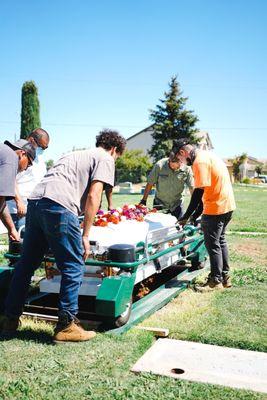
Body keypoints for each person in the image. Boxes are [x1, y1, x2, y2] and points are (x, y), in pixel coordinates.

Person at [1, 129, 126, 342]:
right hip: (58, 205)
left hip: (36, 203)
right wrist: (85, 235)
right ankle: (66, 325)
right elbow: (94, 196)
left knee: (26, 264)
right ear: (114, 149)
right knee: (74, 264)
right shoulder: (106, 158)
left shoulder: (73, 154)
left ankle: (9, 319)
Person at [173, 138, 236, 291]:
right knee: (220, 241)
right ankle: (225, 277)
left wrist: (186, 216)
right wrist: (194, 216)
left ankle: (215, 280)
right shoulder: (208, 155)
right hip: (227, 205)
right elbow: (204, 191)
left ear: (183, 152)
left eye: (179, 158)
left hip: (215, 208)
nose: (181, 161)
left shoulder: (199, 162)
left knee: (212, 245)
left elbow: (198, 193)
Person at [7, 128, 50, 233]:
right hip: (19, 211)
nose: (43, 150)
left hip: (34, 210)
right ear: (31, 140)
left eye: (45, 148)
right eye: (41, 147)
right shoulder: (20, 155)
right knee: (18, 244)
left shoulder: (40, 161)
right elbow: (10, 178)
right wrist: (19, 201)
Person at [0, 139, 36, 243]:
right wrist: (12, 229)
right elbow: (0, 201)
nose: (25, 169)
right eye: (28, 164)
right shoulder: (10, 157)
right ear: (22, 154)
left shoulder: (4, 152)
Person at [139, 151, 194, 219]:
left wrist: (195, 205)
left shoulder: (187, 168)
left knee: (179, 227)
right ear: (169, 161)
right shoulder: (160, 165)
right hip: (160, 203)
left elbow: (192, 188)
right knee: (159, 227)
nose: (174, 168)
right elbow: (150, 183)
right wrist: (144, 200)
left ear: (181, 162)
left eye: (177, 167)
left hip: (177, 204)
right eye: (172, 166)